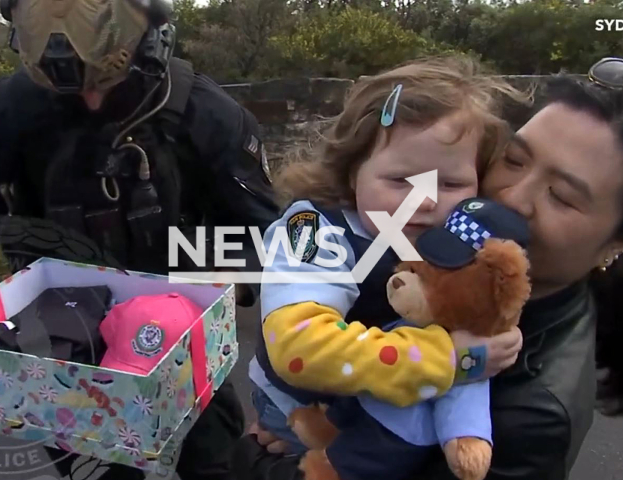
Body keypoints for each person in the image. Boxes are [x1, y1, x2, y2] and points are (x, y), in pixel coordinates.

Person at [234, 56, 623, 480]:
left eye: (562, 196)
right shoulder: (312, 228)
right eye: (514, 160)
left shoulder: (533, 415)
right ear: (353, 171)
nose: (512, 198)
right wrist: (451, 360)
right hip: (296, 414)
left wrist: (258, 467)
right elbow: (296, 348)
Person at [0, 0, 279, 479]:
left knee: (216, 465)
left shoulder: (205, 114)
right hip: (62, 346)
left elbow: (272, 238)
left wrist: (216, 278)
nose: (62, 43)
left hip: (182, 343)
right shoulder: (10, 108)